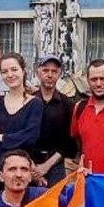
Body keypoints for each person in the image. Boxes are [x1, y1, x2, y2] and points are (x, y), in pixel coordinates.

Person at [0, 52, 44, 201]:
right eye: (5, 71)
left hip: (16, 172)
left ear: (23, 71)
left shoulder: (35, 103)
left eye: (14, 69)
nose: (10, 75)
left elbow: (30, 137)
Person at [31, 54, 75, 186]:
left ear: (59, 74)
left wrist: (46, 166)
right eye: (45, 70)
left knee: (56, 198)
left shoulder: (67, 104)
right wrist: (33, 168)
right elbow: (21, 137)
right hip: (29, 162)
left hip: (55, 163)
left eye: (54, 71)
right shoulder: (28, 101)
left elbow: (69, 141)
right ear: (37, 72)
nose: (49, 75)